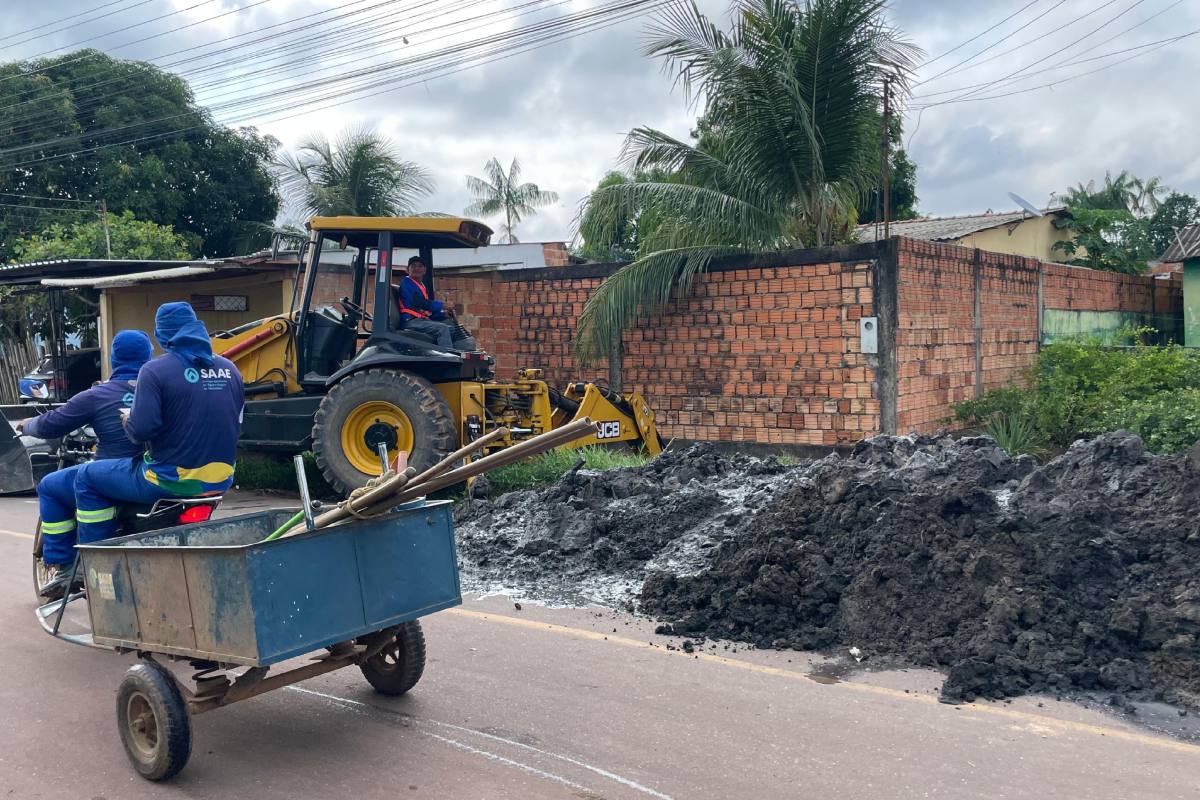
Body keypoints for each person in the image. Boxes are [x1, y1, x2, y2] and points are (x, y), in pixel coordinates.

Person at [72, 302, 244, 548]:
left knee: (86, 477)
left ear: (161, 334)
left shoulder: (154, 371)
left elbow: (142, 431)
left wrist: (127, 421)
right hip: (221, 479)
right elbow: (235, 421)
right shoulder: (231, 369)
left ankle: (93, 557)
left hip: (169, 479)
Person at [21, 330, 153, 596]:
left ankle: (66, 567)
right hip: (155, 474)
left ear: (114, 358)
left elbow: (52, 424)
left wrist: (27, 425)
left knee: (49, 486)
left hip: (113, 475)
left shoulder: (98, 394)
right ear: (149, 356)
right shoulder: (160, 390)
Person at [397, 256, 455, 347]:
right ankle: (447, 355)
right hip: (410, 321)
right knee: (442, 329)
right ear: (407, 270)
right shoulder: (407, 283)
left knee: (451, 328)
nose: (417, 268)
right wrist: (442, 305)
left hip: (419, 320)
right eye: (413, 266)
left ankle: (439, 351)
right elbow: (420, 303)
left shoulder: (420, 285)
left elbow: (426, 311)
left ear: (424, 270)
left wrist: (442, 314)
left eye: (420, 266)